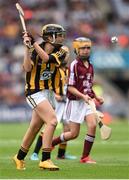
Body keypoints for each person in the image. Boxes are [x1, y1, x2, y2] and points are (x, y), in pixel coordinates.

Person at [13, 24, 69, 170]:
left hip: (49, 93)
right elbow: (26, 68)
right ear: (50, 37)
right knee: (52, 121)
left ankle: (19, 157)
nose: (63, 37)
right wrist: (27, 49)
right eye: (60, 34)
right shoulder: (34, 49)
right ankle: (45, 159)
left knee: (35, 127)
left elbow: (46, 59)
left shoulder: (62, 50)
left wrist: (33, 44)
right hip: (34, 91)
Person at [51, 37, 104, 164]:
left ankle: (85, 157)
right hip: (75, 102)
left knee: (92, 125)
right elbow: (70, 87)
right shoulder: (74, 66)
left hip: (87, 102)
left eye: (88, 48)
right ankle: (52, 142)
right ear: (76, 50)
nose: (86, 51)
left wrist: (96, 97)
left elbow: (88, 86)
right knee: (73, 134)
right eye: (82, 48)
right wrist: (82, 96)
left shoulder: (90, 66)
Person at [30, 62, 77, 160]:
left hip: (66, 101)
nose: (65, 57)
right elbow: (47, 84)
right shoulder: (54, 69)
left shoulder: (69, 70)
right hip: (57, 101)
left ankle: (61, 154)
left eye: (66, 54)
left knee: (67, 127)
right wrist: (55, 95)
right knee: (48, 126)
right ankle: (35, 153)